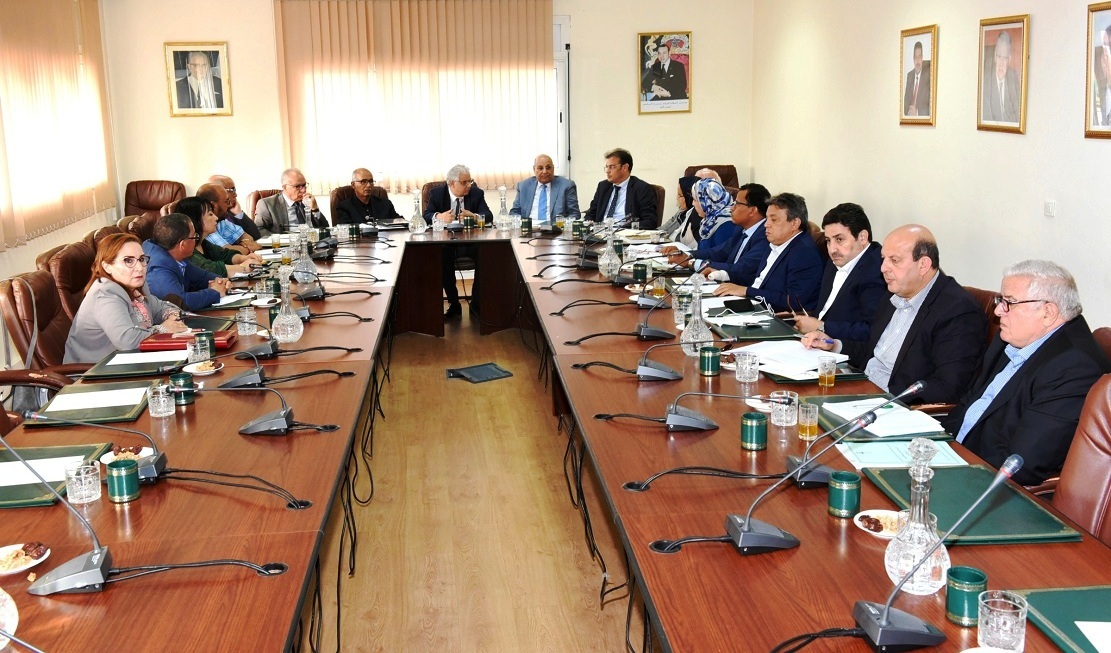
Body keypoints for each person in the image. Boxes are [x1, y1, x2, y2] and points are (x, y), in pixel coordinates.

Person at [941, 261, 1111, 486]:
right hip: (953, 455)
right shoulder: (1012, 338)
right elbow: (969, 403)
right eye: (1000, 300)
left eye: (1009, 302)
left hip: (986, 481)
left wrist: (954, 463)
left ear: (1048, 312)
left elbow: (1023, 463)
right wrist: (934, 444)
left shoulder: (1075, 368)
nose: (998, 311)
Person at [802, 224, 986, 405]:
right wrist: (834, 344)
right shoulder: (895, 294)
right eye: (884, 259)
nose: (883, 268)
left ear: (923, 265)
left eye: (894, 260)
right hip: (862, 386)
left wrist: (880, 398)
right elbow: (875, 351)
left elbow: (948, 386)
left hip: (894, 404)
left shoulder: (957, 310)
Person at [64, 233, 188, 363]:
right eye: (129, 261)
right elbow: (128, 341)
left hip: (129, 361)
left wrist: (173, 317)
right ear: (107, 266)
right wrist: (163, 329)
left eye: (141, 259)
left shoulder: (136, 285)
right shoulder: (105, 295)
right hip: (95, 370)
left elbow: (160, 307)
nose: (139, 268)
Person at [711, 192, 822, 312]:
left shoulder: (804, 254)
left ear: (794, 223)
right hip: (753, 306)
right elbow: (760, 281)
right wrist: (724, 275)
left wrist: (746, 291)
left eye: (773, 220)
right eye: (767, 219)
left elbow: (793, 302)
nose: (766, 224)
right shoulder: (776, 243)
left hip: (775, 316)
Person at [793, 203, 886, 342]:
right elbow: (824, 310)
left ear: (862, 237)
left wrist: (822, 327)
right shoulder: (837, 260)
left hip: (844, 349)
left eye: (839, 239)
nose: (832, 249)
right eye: (828, 241)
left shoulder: (877, 270)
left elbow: (872, 330)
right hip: (813, 341)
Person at [423, 164, 494, 319]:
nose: (469, 185)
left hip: (470, 241)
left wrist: (474, 216)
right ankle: (454, 304)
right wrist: (439, 216)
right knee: (442, 257)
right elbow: (426, 215)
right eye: (464, 182)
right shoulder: (437, 194)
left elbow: (488, 215)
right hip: (446, 242)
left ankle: (476, 304)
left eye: (470, 181)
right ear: (452, 183)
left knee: (485, 254)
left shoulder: (476, 193)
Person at [143, 213, 229, 311]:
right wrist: (214, 292)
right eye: (194, 236)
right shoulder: (158, 269)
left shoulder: (175, 256)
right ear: (183, 245)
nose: (196, 240)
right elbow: (180, 303)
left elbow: (202, 277)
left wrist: (221, 282)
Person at [175, 196, 261, 277]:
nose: (216, 218)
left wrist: (243, 258)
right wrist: (243, 267)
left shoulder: (203, 243)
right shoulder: (187, 249)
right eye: (210, 214)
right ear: (195, 219)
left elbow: (224, 254)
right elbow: (210, 269)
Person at [582, 148, 658, 229]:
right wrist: (589, 222)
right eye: (606, 167)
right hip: (600, 231)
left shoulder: (641, 188)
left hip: (625, 232)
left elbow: (650, 221)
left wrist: (625, 228)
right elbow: (591, 212)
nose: (607, 171)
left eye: (612, 167)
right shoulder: (603, 186)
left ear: (625, 167)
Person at [254, 168, 329, 236]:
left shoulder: (307, 201)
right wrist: (281, 240)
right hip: (284, 245)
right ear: (285, 187)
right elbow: (259, 229)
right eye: (298, 187)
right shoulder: (267, 204)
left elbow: (325, 228)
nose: (303, 190)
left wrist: (315, 209)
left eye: (304, 185)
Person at [510, 154, 579, 222]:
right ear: (534, 169)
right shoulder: (524, 186)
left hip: (555, 228)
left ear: (553, 169)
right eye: (540, 168)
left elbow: (574, 214)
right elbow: (514, 212)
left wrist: (560, 224)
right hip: (529, 227)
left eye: (548, 168)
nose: (544, 171)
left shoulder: (566, 186)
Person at [196, 182, 260, 253]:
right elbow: (226, 251)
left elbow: (244, 235)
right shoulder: (204, 225)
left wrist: (246, 241)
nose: (229, 205)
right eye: (226, 201)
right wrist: (249, 248)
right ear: (214, 205)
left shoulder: (221, 220)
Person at [334, 168, 403, 225]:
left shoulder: (385, 204)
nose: (368, 185)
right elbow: (347, 230)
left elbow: (399, 221)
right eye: (363, 182)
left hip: (385, 237)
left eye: (371, 181)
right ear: (353, 185)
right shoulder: (344, 207)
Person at [981, 31, 1020, 123]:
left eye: (1005, 58)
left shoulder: (1013, 77)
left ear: (1009, 59)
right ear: (995, 57)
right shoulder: (985, 81)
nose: (1001, 63)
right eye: (999, 57)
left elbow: (1018, 113)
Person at [209, 174, 262, 241]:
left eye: (235, 190)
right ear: (219, 191)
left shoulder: (231, 212)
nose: (235, 194)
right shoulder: (209, 218)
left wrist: (239, 214)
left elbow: (257, 237)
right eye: (232, 190)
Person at [687, 178, 736, 249]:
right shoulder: (710, 220)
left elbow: (721, 255)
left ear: (707, 202)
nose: (693, 204)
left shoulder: (726, 225)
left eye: (695, 200)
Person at [658, 176, 699, 247]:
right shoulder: (682, 211)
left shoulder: (696, 217)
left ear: (689, 197)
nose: (677, 198)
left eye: (680, 195)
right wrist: (652, 234)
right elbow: (666, 228)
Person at [903, 40, 931, 117]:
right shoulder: (909, 76)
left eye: (919, 57)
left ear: (922, 58)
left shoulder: (928, 75)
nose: (917, 61)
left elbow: (929, 107)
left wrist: (917, 113)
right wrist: (909, 112)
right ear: (913, 59)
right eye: (915, 57)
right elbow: (905, 106)